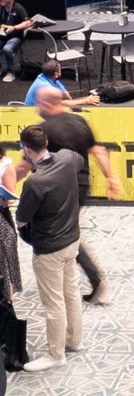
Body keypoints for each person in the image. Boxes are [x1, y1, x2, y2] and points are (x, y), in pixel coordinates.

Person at [23, 87, 120, 304]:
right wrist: (112, 178)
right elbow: (98, 151)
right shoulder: (80, 122)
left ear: (47, 104)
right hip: (82, 186)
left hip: (57, 192)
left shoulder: (43, 130)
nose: (37, 108)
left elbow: (25, 164)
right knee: (67, 231)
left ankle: (92, 279)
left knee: (61, 233)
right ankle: (84, 278)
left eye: (39, 103)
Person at [16, 125, 85, 372]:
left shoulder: (35, 183)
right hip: (72, 240)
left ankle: (56, 354)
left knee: (53, 303)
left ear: (26, 149)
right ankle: (74, 340)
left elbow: (22, 218)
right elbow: (79, 160)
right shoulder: (67, 158)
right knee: (71, 292)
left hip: (48, 249)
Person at [24, 60, 99, 107]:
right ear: (56, 73)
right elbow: (59, 103)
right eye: (60, 69)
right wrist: (85, 101)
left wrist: (73, 102)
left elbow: (66, 95)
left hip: (45, 107)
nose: (61, 71)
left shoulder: (47, 76)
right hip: (32, 113)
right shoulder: (46, 87)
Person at [0, 146, 21, 300]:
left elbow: (11, 196)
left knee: (4, 266)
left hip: (1, 218)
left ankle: (7, 305)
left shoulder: (5, 165)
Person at [0, 0, 32, 82]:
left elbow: (28, 22)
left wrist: (14, 28)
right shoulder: (1, 7)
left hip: (16, 37)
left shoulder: (18, 8)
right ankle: (1, 67)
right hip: (2, 35)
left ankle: (11, 72)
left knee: (7, 49)